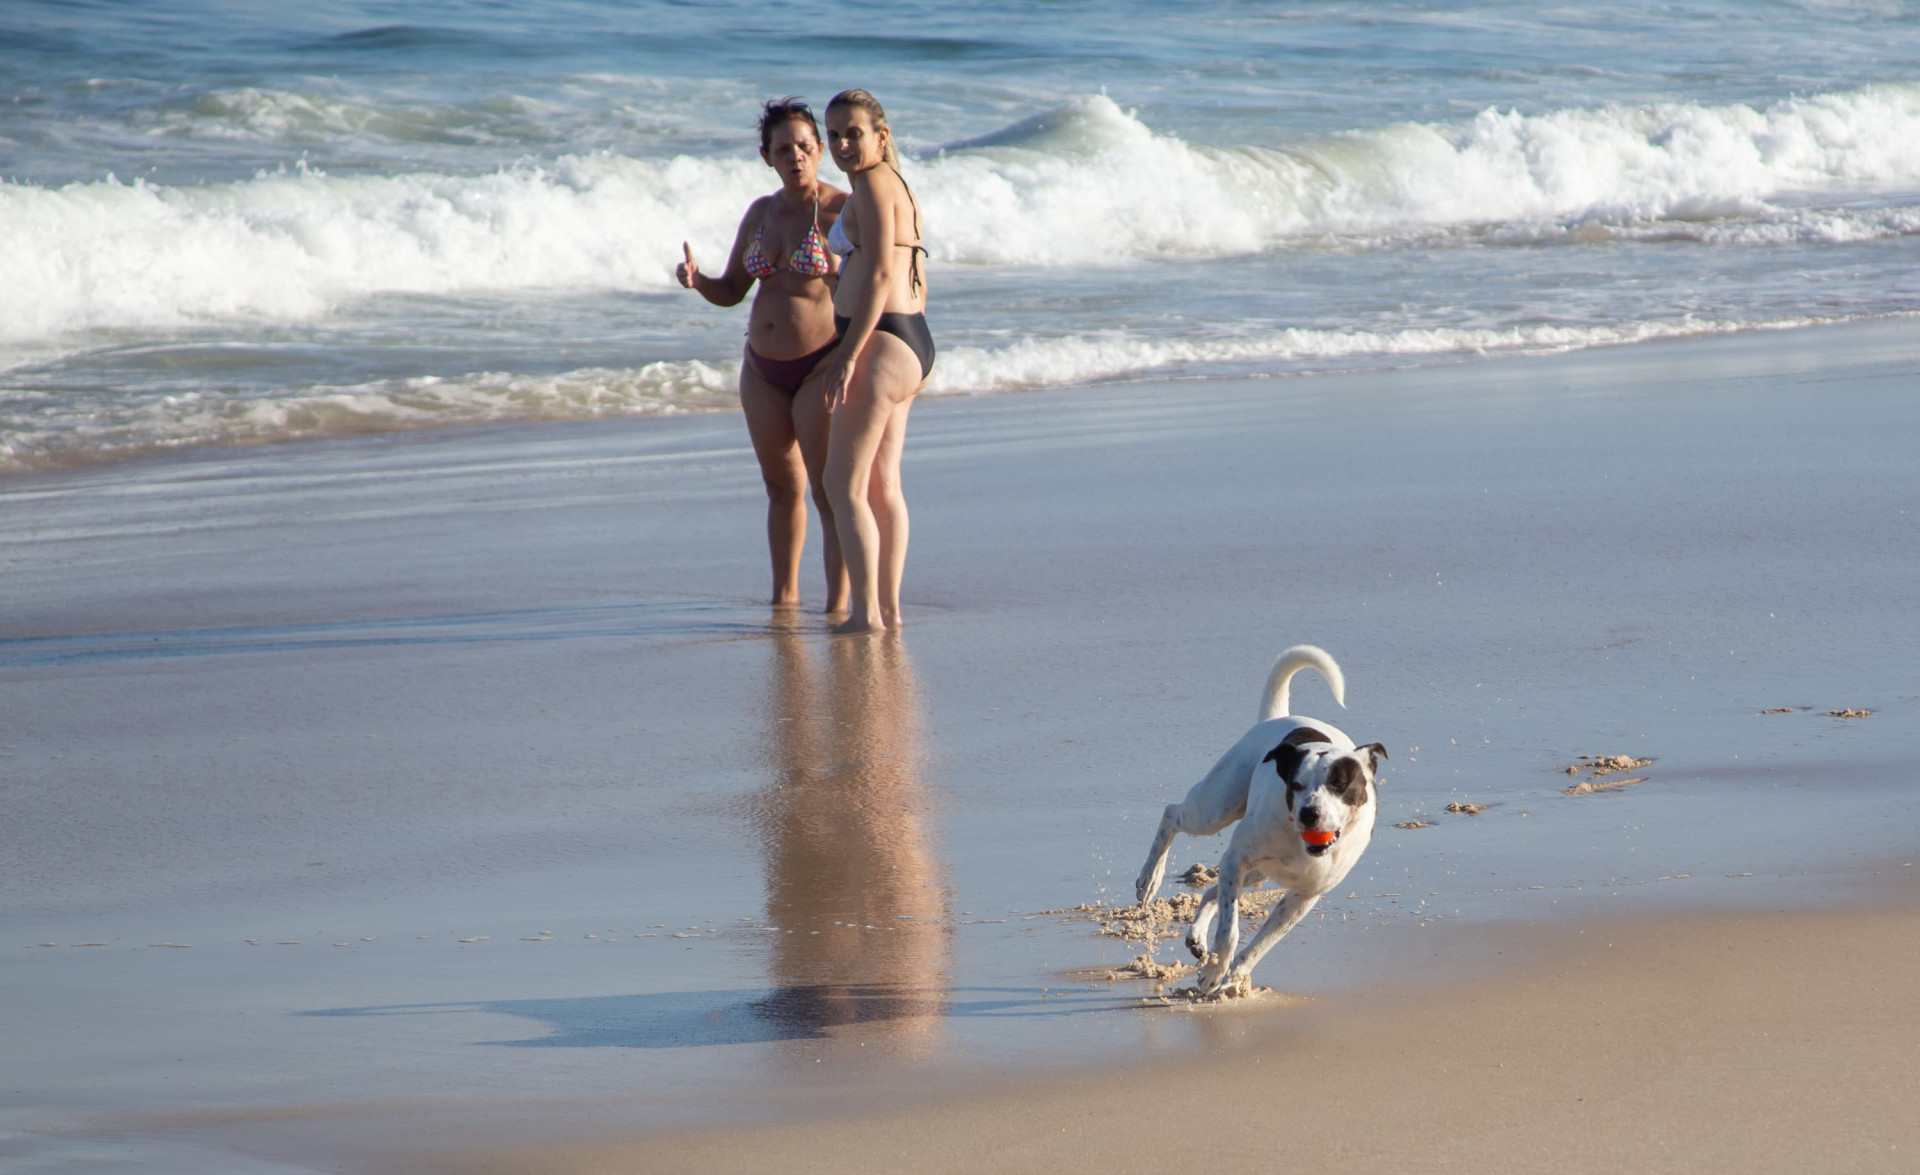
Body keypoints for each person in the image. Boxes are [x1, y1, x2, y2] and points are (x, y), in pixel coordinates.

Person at [677, 98, 849, 614]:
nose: (794, 156)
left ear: (819, 150)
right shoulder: (759, 213)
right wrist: (698, 281)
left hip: (819, 363)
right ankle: (784, 602)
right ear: (766, 156)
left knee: (825, 491)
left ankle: (838, 606)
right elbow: (732, 289)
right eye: (782, 149)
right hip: (762, 369)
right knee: (780, 488)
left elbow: (871, 289)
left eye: (803, 146)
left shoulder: (842, 211)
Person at [817, 89, 933, 634]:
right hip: (909, 339)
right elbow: (913, 269)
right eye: (834, 134)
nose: (841, 143)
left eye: (853, 133)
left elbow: (883, 274)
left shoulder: (870, 182)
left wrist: (848, 353)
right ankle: (888, 611)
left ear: (880, 136)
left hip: (881, 341)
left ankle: (865, 617)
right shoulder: (897, 183)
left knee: (843, 484)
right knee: (883, 483)